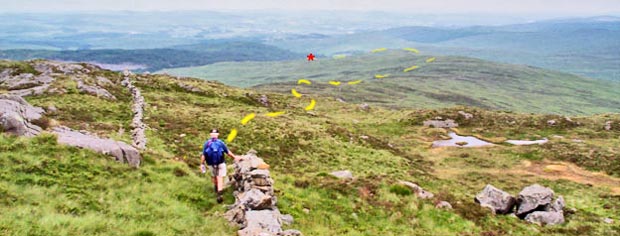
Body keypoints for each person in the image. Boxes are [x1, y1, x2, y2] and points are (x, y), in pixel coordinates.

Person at [201, 129, 240, 203]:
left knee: (214, 177)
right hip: (221, 163)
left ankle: (216, 189)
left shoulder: (207, 143)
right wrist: (235, 157)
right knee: (220, 178)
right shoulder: (220, 143)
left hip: (211, 164)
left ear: (210, 134)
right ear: (218, 134)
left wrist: (202, 164)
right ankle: (220, 194)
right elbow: (228, 152)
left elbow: (203, 155)